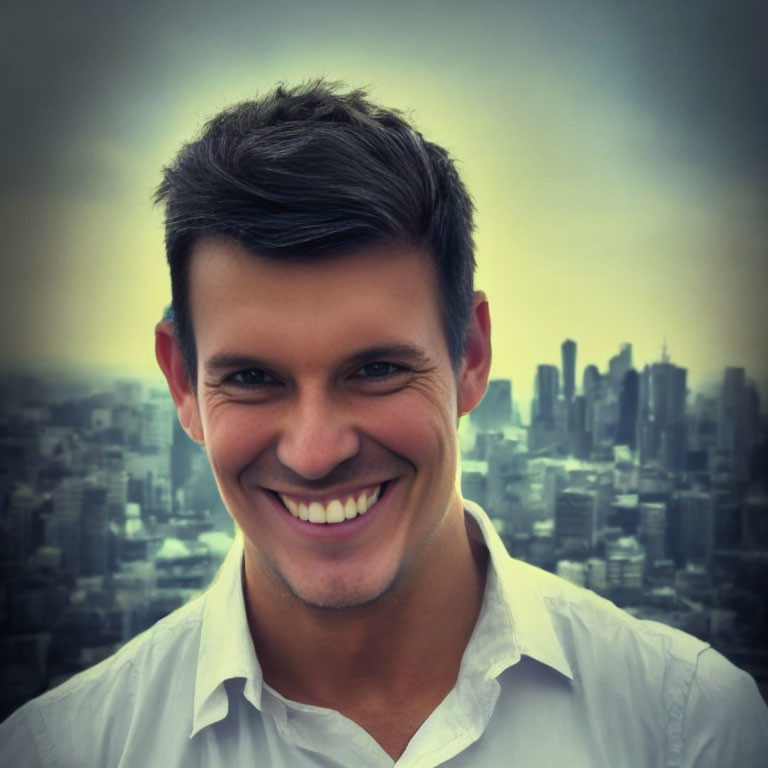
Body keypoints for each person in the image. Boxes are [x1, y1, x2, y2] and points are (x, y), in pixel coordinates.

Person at [1, 80, 767, 767]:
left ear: (470, 355)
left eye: (375, 370)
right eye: (250, 379)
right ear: (182, 384)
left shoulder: (688, 730)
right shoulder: (64, 751)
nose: (314, 452)